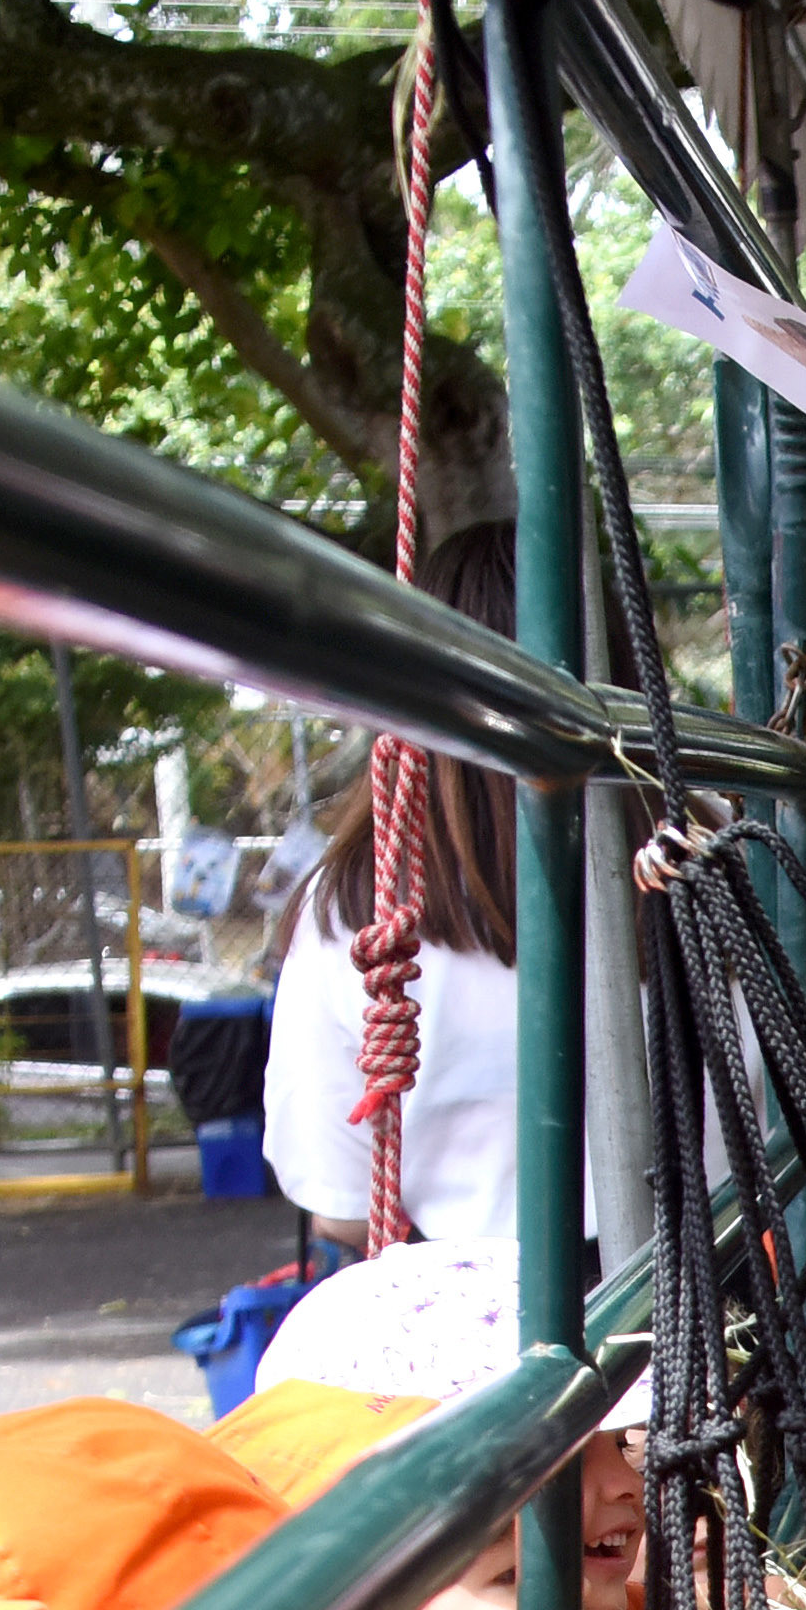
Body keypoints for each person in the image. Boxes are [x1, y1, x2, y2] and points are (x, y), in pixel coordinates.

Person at [263, 531, 522, 1250]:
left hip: (474, 1315)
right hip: (718, 1301)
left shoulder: (351, 904)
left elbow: (342, 1207)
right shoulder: (712, 854)